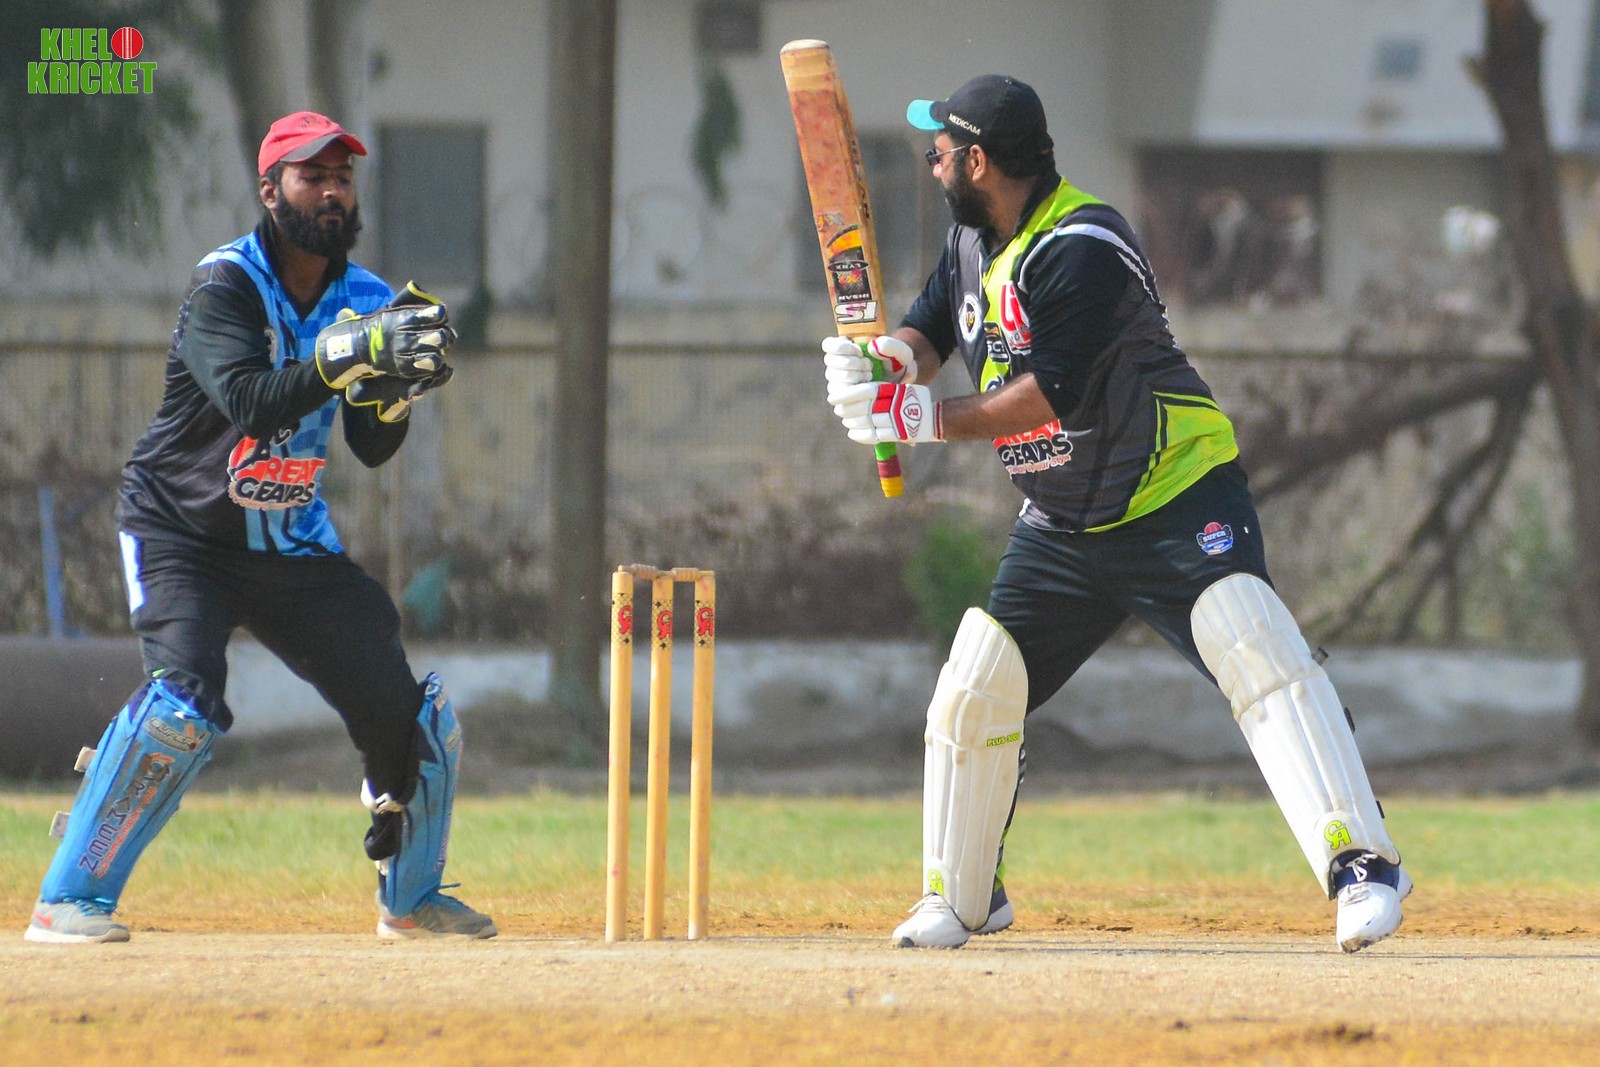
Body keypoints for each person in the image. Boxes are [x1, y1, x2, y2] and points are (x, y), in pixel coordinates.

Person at [825, 76, 1410, 953]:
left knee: (1251, 643)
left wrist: (924, 419)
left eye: (940, 148)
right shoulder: (970, 242)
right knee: (979, 683)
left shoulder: (1084, 243)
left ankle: (1363, 866)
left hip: (1173, 490)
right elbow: (933, 327)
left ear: (977, 161)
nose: (930, 160)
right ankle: (964, 895)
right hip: (1063, 521)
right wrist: (887, 364)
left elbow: (1048, 392)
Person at [24, 111, 494, 944]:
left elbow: (371, 447)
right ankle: (70, 896)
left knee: (411, 713)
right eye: (312, 177)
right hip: (180, 529)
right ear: (270, 190)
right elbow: (248, 400)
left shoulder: (367, 298)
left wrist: (395, 390)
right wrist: (351, 354)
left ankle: (412, 896)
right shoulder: (226, 285)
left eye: (342, 177)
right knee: (183, 706)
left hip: (289, 541)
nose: (331, 192)